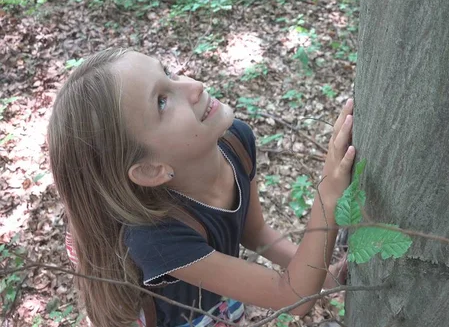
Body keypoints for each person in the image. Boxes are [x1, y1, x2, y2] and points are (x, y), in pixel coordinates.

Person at [48, 48, 355, 327]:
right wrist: (327, 195)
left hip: (218, 293)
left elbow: (256, 234)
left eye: (168, 73)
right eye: (162, 101)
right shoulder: (155, 236)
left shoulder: (236, 141)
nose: (194, 87)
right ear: (152, 169)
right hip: (188, 318)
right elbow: (289, 296)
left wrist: (326, 278)